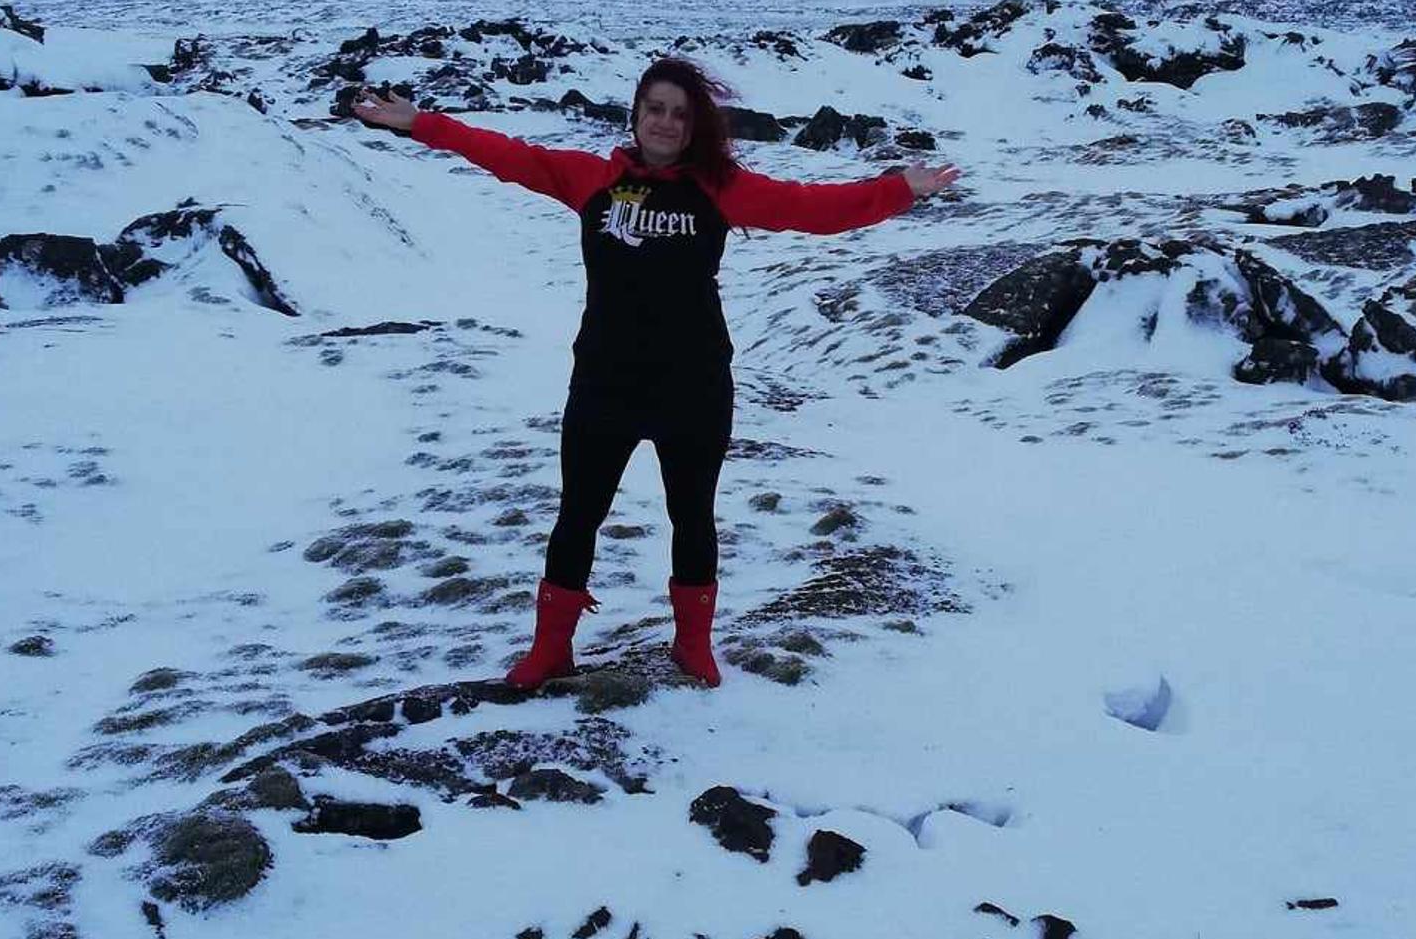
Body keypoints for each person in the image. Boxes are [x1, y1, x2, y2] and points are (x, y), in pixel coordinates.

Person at [350, 56, 959, 688]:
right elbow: (508, 154)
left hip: (692, 384)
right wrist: (421, 123)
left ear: (694, 125)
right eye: (654, 109)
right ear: (636, 116)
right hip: (605, 381)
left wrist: (899, 189)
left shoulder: (720, 188)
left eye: (679, 113)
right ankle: (550, 650)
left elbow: (812, 208)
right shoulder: (591, 180)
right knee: (578, 515)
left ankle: (692, 645)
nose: (665, 123)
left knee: (692, 516)